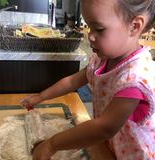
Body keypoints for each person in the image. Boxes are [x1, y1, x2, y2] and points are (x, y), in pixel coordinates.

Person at [21, 0, 155, 159]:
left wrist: (52, 144)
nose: (90, 36)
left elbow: (105, 127)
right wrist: (40, 97)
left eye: (99, 29)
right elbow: (71, 82)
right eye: (89, 27)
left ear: (134, 26)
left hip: (134, 153)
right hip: (111, 143)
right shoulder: (103, 59)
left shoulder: (135, 77)